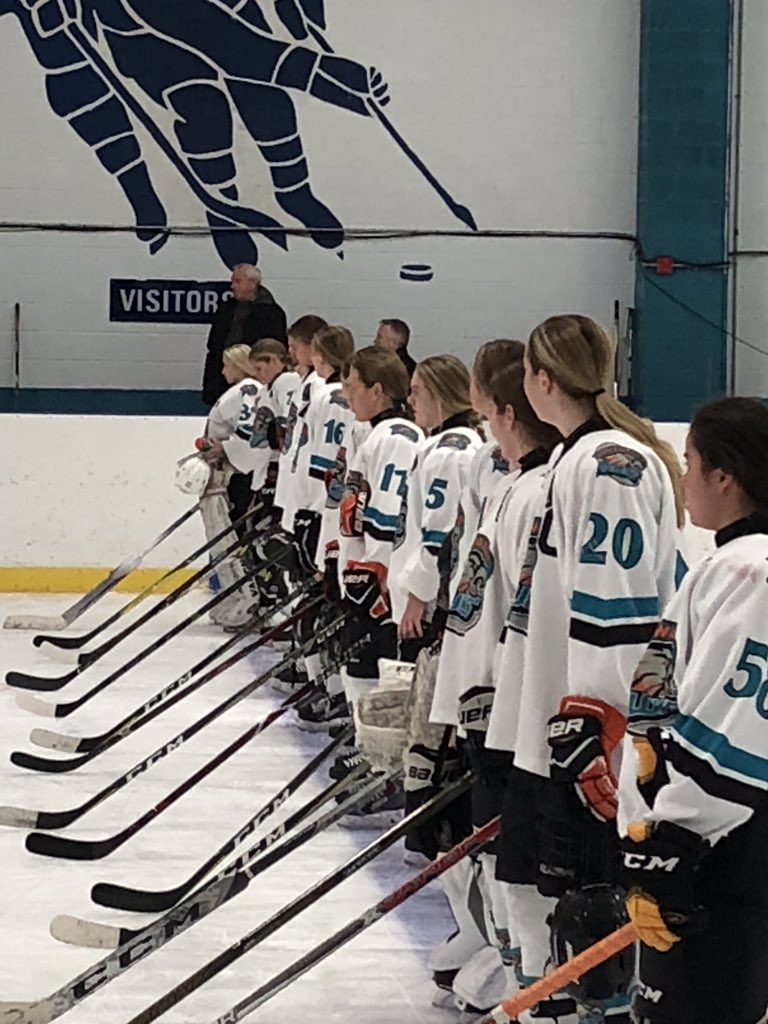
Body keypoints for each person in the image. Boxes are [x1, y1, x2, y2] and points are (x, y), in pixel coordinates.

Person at [494, 314, 684, 1024]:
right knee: (545, 898)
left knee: (591, 916)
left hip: (590, 736)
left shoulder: (609, 463)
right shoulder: (577, 459)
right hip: (555, 720)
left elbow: (621, 613)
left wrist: (599, 723)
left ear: (542, 382)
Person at [620, 397, 768, 1024]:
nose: (682, 479)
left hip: (726, 852)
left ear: (724, 478)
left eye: (690, 463)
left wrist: (674, 839)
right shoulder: (733, 564)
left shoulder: (751, 573)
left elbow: (739, 730)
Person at [334, 345, 425, 826]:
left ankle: (383, 764)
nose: (346, 394)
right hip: (368, 574)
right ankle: (371, 751)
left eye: (352, 386)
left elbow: (388, 518)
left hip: (382, 582)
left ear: (377, 389)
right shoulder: (377, 433)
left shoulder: (395, 436)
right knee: (361, 662)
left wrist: (378, 575)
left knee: (377, 665)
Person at [202, 263, 287, 405]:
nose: (232, 286)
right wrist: (209, 385)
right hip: (221, 380)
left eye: (238, 281)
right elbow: (214, 347)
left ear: (253, 284)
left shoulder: (273, 314)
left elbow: (275, 352)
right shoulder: (225, 309)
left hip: (255, 380)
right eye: (232, 281)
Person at [201, 343, 262, 529]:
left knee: (231, 528)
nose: (222, 371)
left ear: (238, 365)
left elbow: (250, 430)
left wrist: (224, 448)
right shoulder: (242, 390)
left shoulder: (249, 390)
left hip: (237, 476)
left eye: (226, 365)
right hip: (232, 472)